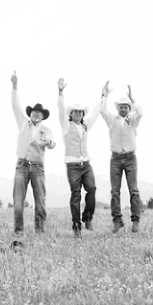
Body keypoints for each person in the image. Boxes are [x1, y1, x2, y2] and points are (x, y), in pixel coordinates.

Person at [10, 71, 56, 246]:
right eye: (34, 112)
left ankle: (40, 232)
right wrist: (15, 87)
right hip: (22, 165)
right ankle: (19, 232)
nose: (36, 115)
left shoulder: (46, 130)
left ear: (43, 116)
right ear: (31, 114)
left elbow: (53, 143)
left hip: (37, 167)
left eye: (39, 113)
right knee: (18, 199)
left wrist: (49, 142)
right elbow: (15, 106)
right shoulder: (22, 123)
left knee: (40, 200)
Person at [56, 78, 100, 238]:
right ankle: (76, 226)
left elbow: (96, 112)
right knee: (76, 194)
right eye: (75, 111)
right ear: (71, 114)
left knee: (92, 189)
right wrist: (60, 93)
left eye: (80, 112)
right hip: (73, 166)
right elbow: (60, 109)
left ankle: (87, 217)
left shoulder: (85, 125)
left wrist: (104, 96)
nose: (78, 114)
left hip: (86, 164)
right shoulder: (66, 125)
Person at [100, 82, 144, 233]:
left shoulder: (133, 120)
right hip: (116, 159)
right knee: (115, 191)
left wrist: (132, 98)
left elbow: (141, 112)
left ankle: (136, 220)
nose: (123, 109)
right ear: (117, 108)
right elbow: (101, 110)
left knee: (134, 190)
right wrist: (104, 95)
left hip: (131, 158)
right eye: (121, 106)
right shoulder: (112, 120)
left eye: (126, 107)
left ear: (128, 109)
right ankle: (117, 220)